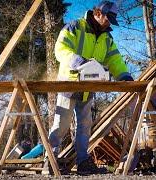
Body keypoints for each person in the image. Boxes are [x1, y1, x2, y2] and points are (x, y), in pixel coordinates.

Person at [46, 0, 133, 175]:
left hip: (88, 87)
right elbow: (60, 49)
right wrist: (78, 61)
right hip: (68, 83)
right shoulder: (74, 27)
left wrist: (124, 76)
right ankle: (50, 162)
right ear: (98, 13)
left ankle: (83, 162)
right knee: (61, 124)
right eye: (107, 18)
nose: (109, 23)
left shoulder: (106, 38)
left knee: (85, 126)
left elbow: (114, 59)